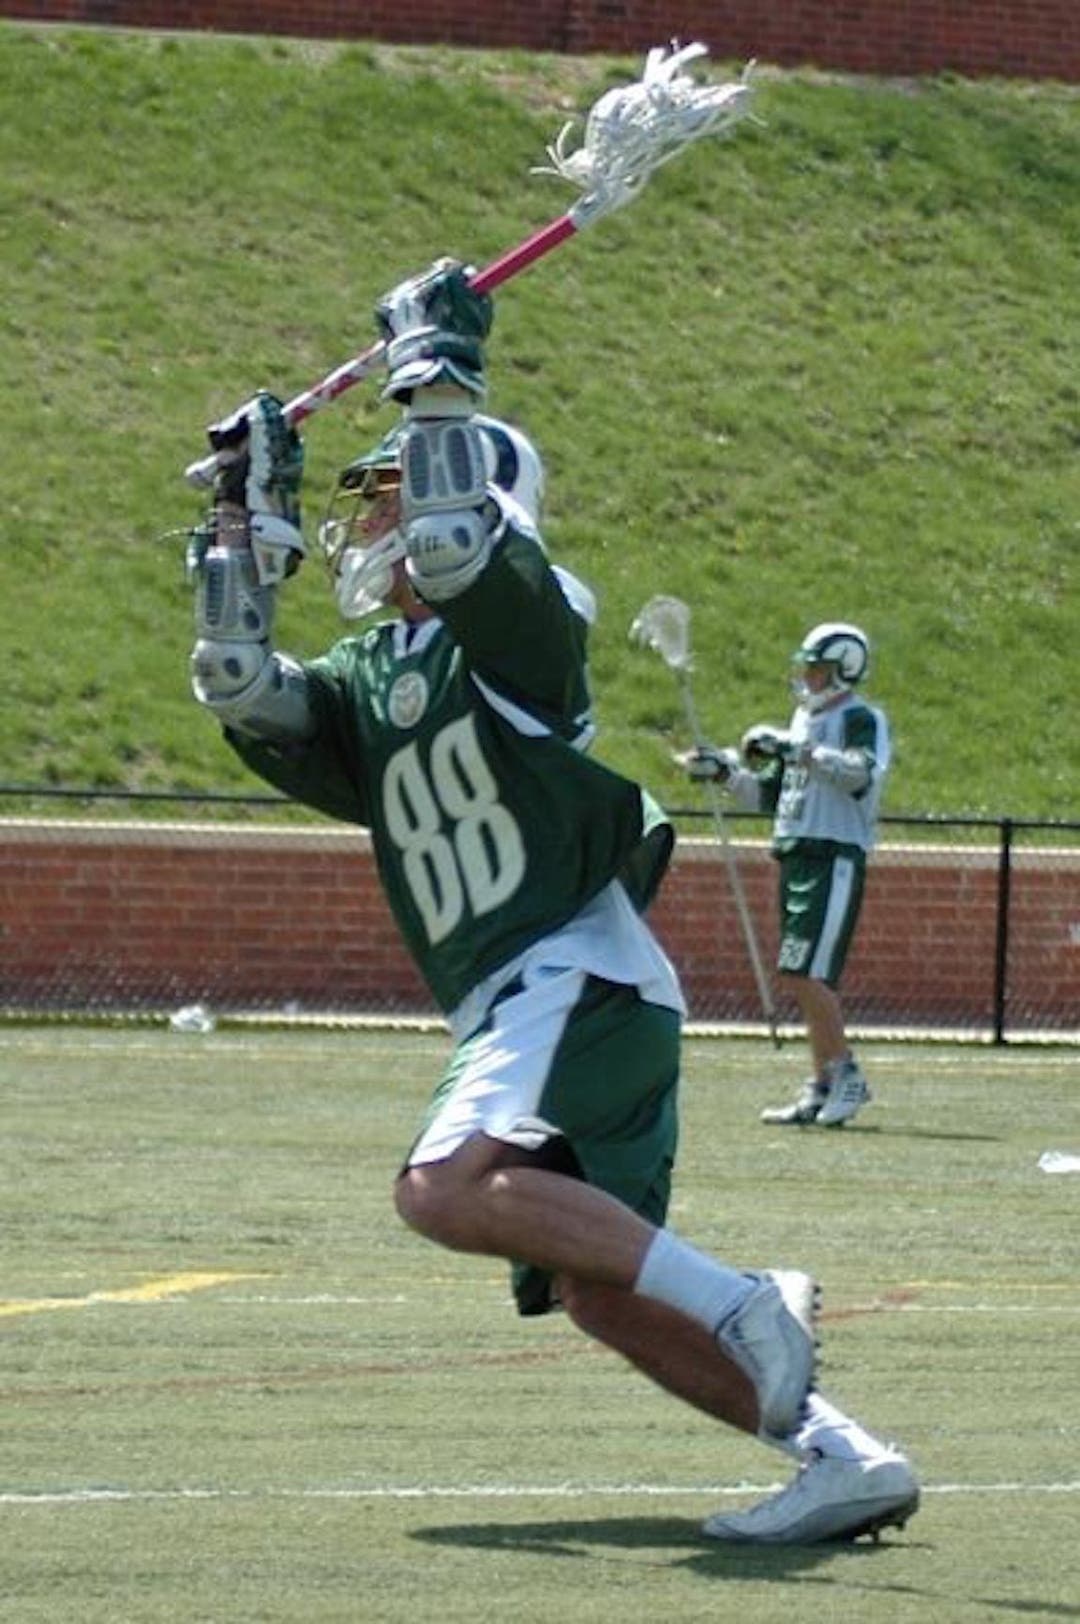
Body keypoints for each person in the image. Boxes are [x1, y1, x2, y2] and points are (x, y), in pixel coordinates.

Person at [185, 259, 917, 1542]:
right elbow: (244, 683)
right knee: (600, 1290)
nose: (372, 518)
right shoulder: (378, 669)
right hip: (564, 993)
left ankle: (750, 1296)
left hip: (563, 970)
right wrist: (243, 524)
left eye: (396, 491)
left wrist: (437, 377)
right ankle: (842, 1454)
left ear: (467, 495)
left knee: (439, 1187)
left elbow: (468, 555)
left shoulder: (518, 619)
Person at [683, 624, 891, 1128]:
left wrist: (795, 749)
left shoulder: (861, 718)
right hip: (796, 854)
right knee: (797, 973)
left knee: (807, 973)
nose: (807, 676)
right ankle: (821, 1083)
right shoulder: (802, 719)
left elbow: (859, 773)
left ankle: (846, 1075)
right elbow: (772, 798)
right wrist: (726, 774)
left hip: (833, 853)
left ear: (844, 669)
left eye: (818, 667)